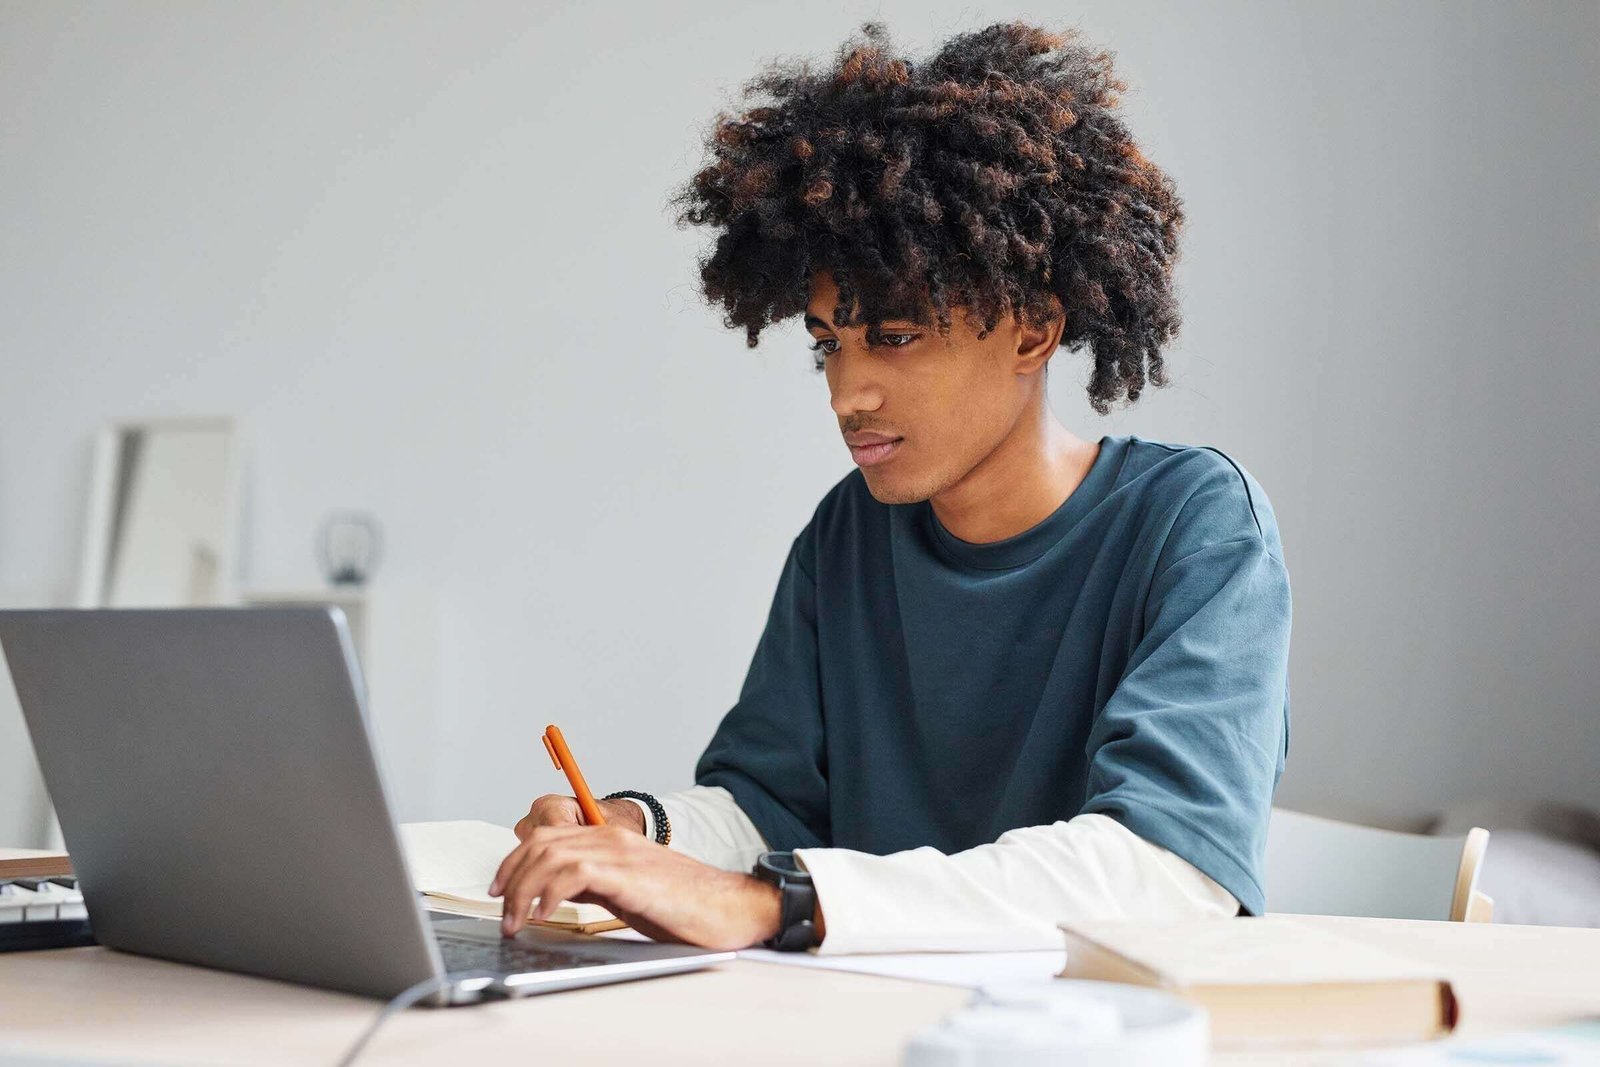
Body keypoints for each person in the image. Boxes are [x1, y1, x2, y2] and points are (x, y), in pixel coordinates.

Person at [489, 19, 1292, 954]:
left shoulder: (1194, 527)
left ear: (1031, 330)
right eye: (828, 343)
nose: (846, 390)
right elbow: (772, 802)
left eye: (895, 337)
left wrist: (777, 904)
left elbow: (1165, 868)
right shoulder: (851, 533)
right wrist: (635, 830)